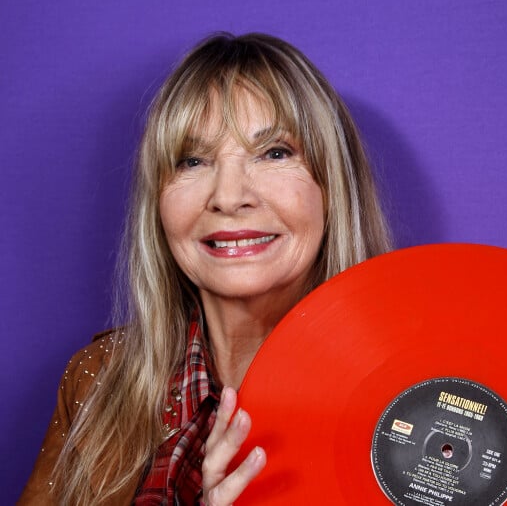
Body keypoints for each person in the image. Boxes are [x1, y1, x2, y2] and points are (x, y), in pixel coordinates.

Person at [20, 33, 393, 505]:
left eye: (275, 152)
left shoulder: (412, 398)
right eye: (192, 160)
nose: (229, 196)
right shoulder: (97, 380)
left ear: (332, 188)